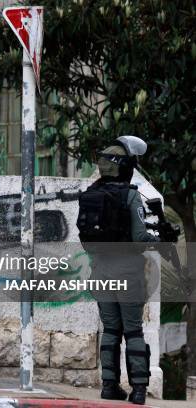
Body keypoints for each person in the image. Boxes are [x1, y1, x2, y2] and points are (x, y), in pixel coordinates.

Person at [77, 136, 159, 405]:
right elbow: (139, 238)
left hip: (100, 271)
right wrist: (157, 239)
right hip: (129, 273)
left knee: (111, 330)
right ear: (125, 168)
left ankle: (109, 386)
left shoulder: (90, 195)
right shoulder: (131, 196)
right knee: (133, 331)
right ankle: (138, 390)